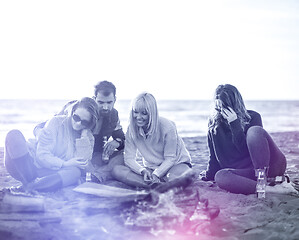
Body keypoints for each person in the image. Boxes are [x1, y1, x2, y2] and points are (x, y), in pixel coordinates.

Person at [201, 84, 287, 194]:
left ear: (235, 104)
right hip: (246, 173)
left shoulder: (253, 117)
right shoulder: (213, 124)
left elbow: (247, 150)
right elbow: (213, 157)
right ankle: (269, 189)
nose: (222, 111)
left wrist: (234, 124)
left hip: (268, 167)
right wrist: (208, 175)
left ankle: (263, 180)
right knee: (220, 176)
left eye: (226, 107)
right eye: (219, 107)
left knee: (254, 131)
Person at [33, 81, 126, 183]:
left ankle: (99, 174)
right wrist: (38, 132)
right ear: (94, 99)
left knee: (123, 156)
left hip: (96, 155)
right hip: (75, 153)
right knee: (82, 165)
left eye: (109, 102)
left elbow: (122, 138)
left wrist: (116, 142)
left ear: (115, 100)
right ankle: (96, 173)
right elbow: (49, 124)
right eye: (101, 102)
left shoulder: (113, 115)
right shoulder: (78, 108)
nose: (105, 107)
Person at [4, 97, 98, 192]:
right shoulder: (56, 122)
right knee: (13, 135)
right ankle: (30, 182)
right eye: (76, 117)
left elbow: (82, 165)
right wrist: (65, 163)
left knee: (75, 172)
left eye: (84, 122)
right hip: (26, 165)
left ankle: (31, 188)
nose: (78, 123)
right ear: (73, 112)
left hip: (47, 173)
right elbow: (42, 155)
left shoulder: (88, 138)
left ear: (90, 123)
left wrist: (84, 136)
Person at [112, 92, 193, 190]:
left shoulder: (167, 127)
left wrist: (157, 174)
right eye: (135, 112)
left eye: (144, 113)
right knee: (117, 170)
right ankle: (155, 186)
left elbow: (171, 158)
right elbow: (129, 158)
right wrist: (142, 171)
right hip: (151, 168)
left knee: (173, 177)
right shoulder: (131, 129)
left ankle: (161, 184)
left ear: (152, 113)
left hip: (176, 164)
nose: (138, 117)